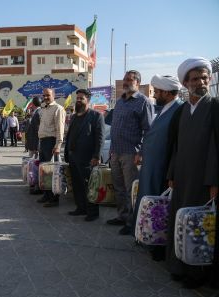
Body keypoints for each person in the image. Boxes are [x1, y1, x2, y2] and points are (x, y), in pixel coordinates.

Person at [166, 57, 218, 289]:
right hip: (182, 177)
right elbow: (176, 146)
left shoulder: (214, 106)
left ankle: (197, 274)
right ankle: (179, 266)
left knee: (199, 225)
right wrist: (172, 173)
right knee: (181, 222)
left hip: (203, 180)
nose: (201, 82)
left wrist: (214, 181)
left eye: (204, 77)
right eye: (195, 79)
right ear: (186, 83)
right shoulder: (183, 111)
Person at [131, 75, 182, 260]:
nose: (155, 94)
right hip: (151, 165)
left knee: (160, 207)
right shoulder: (164, 108)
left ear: (167, 93)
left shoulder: (178, 109)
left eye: (158, 91)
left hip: (162, 168)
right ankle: (147, 237)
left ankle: (158, 245)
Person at [107, 70, 154, 235]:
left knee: (130, 189)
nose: (126, 82)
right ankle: (122, 216)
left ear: (138, 83)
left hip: (130, 154)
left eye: (130, 80)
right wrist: (111, 151)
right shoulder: (120, 101)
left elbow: (148, 130)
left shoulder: (143, 102)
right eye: (125, 79)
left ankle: (132, 222)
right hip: (116, 152)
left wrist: (140, 152)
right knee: (118, 188)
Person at [64, 89, 105, 221]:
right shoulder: (75, 116)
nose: (78, 100)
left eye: (81, 98)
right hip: (73, 157)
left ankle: (93, 212)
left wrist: (96, 156)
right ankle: (81, 208)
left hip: (88, 159)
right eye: (77, 98)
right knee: (77, 185)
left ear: (88, 100)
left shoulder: (96, 116)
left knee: (90, 186)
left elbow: (100, 138)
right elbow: (70, 135)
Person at [37, 88, 66, 207]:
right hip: (43, 142)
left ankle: (54, 199)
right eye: (44, 95)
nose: (45, 97)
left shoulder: (58, 109)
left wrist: (58, 145)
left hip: (51, 142)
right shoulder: (43, 109)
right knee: (44, 171)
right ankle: (47, 194)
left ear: (54, 95)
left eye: (48, 95)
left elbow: (60, 128)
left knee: (52, 172)